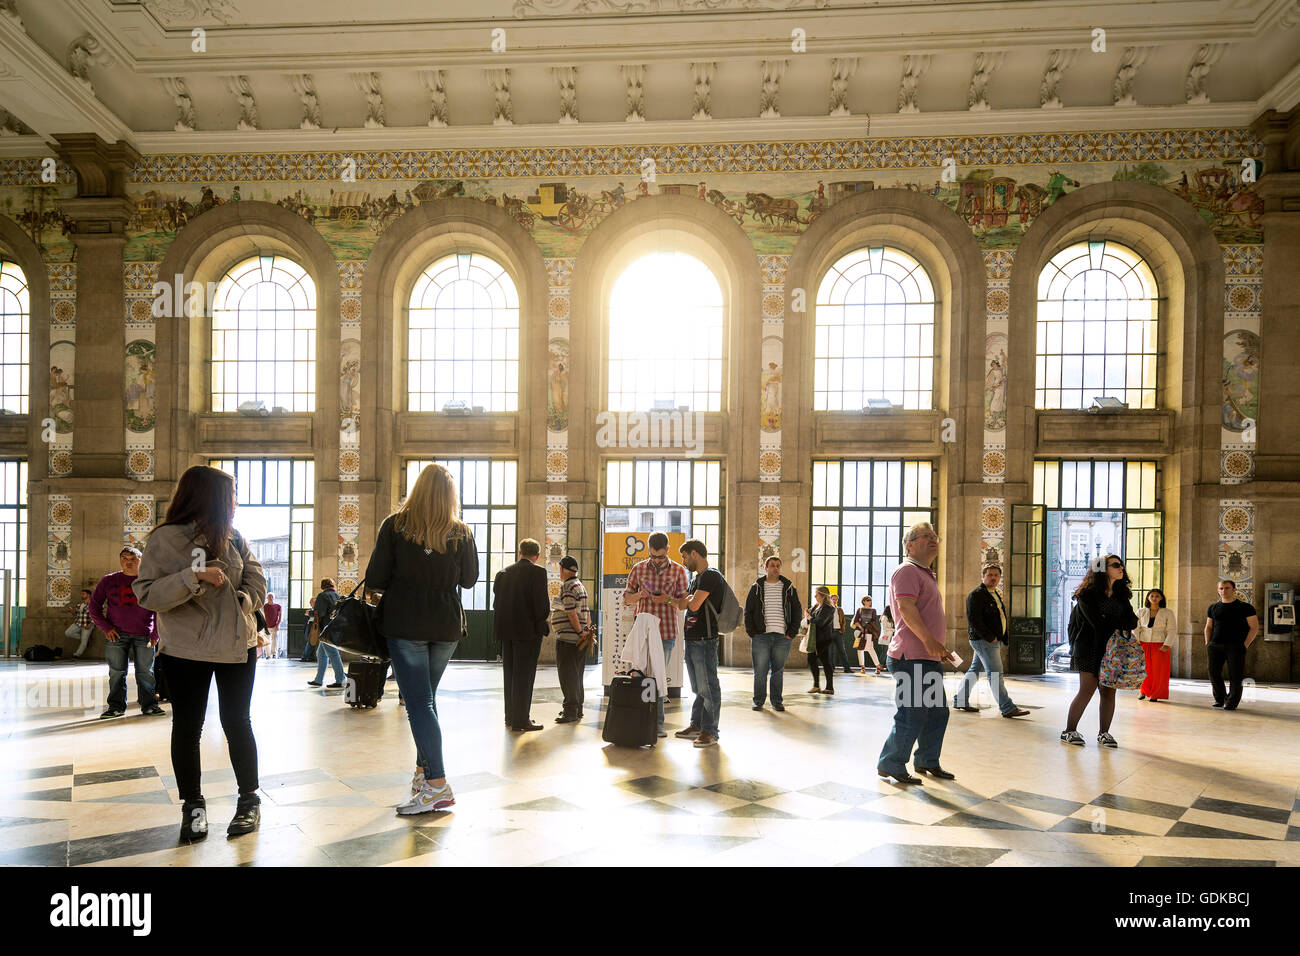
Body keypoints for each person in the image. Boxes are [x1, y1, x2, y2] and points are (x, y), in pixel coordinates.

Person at [134, 465, 267, 842]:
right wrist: (194, 578)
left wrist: (242, 599)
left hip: (237, 645)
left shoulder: (236, 537)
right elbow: (146, 593)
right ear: (212, 497)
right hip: (185, 649)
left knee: (237, 723)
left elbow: (258, 579)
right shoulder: (165, 539)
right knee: (188, 728)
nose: (237, 502)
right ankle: (192, 805)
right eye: (233, 494)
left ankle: (249, 801)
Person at [365, 462, 478, 814]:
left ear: (416, 489)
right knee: (425, 701)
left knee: (419, 703)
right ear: (450, 496)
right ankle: (422, 773)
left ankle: (438, 785)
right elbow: (471, 579)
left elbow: (375, 577)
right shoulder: (459, 532)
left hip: (406, 625)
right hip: (444, 626)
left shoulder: (395, 526)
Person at [877, 522, 958, 785]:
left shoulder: (925, 573)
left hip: (927, 657)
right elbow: (906, 609)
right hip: (911, 656)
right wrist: (928, 641)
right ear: (909, 544)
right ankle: (890, 762)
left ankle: (926, 760)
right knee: (912, 711)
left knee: (936, 712)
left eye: (935, 536)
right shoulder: (907, 570)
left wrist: (937, 648)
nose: (933, 540)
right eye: (925, 536)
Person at [1060, 554, 1138, 748]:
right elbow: (1097, 623)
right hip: (1088, 648)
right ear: (1103, 569)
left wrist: (1112, 621)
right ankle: (1069, 731)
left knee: (1109, 692)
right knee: (1087, 690)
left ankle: (1104, 733)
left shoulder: (1122, 595)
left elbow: (1133, 621)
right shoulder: (1087, 595)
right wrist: (1117, 622)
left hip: (1112, 650)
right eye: (1116, 565)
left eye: (1121, 565)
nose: (1121, 568)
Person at [623, 532, 689, 735]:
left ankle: (656, 724)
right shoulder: (638, 569)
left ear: (668, 550)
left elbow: (685, 603)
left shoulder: (679, 571)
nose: (657, 561)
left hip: (666, 632)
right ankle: (640, 719)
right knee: (641, 676)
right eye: (653, 556)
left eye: (660, 557)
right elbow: (626, 599)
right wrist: (640, 595)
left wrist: (668, 600)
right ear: (649, 551)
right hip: (642, 632)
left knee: (658, 678)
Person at [90, 547, 164, 719]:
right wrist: (106, 627)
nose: (128, 562)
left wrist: (156, 633)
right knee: (116, 672)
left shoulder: (148, 581)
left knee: (146, 672)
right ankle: (115, 707)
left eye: (133, 559)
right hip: (116, 635)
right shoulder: (109, 580)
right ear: (120, 560)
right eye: (124, 558)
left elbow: (159, 608)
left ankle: (149, 706)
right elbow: (94, 606)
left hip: (144, 634)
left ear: (141, 561)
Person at [669, 539, 725, 747]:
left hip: (705, 639)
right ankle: (697, 724)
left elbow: (692, 605)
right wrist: (669, 600)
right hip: (692, 638)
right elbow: (682, 604)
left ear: (694, 554)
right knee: (698, 687)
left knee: (709, 687)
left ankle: (710, 731)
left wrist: (686, 601)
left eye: (684, 556)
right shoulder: (696, 579)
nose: (683, 561)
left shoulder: (710, 576)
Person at [954, 565, 1030, 718]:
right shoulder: (976, 595)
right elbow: (974, 620)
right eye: (990, 575)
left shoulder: (995, 593)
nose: (993, 578)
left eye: (996, 575)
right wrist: (990, 637)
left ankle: (960, 700)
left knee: (975, 670)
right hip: (984, 640)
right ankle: (1007, 707)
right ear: (983, 576)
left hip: (991, 640)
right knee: (996, 674)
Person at [494, 538, 550, 731]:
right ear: (537, 556)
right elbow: (541, 605)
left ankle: (510, 716)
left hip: (506, 632)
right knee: (524, 676)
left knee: (509, 674)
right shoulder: (538, 572)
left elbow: (496, 604)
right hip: (528, 632)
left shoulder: (503, 573)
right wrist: (540, 621)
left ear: (520, 553)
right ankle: (521, 720)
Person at [742, 554, 802, 711]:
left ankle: (777, 701)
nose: (775, 568)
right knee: (760, 672)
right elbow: (748, 611)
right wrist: (752, 632)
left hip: (783, 637)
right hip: (761, 636)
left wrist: (792, 632)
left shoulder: (789, 588)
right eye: (772, 565)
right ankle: (758, 701)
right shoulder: (756, 588)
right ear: (765, 568)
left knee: (778, 671)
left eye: (778, 565)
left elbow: (797, 611)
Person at [1204, 579, 1258, 711]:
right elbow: (1208, 627)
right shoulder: (1213, 608)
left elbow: (1254, 628)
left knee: (1235, 675)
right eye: (1221, 588)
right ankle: (1220, 699)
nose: (1223, 591)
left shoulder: (1246, 607)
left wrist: (1245, 645)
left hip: (1236, 646)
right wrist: (1208, 643)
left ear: (1234, 589)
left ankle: (1232, 702)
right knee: (1213, 673)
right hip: (1215, 645)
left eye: (1227, 588)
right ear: (1218, 590)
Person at [551, 555, 591, 724]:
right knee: (577, 675)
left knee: (568, 676)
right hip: (579, 639)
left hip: (569, 639)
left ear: (563, 569)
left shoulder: (567, 586)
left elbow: (571, 612)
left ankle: (570, 711)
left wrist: (580, 631)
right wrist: (585, 632)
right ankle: (578, 708)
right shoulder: (580, 585)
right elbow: (586, 613)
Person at [1137, 588, 1175, 702]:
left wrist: (1167, 644)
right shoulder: (1140, 611)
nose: (1154, 598)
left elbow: (1172, 629)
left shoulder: (1168, 612)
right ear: (1148, 597)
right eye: (1152, 596)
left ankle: (1156, 693)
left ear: (1161, 598)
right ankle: (1143, 691)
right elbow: (1135, 628)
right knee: (1143, 669)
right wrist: (1136, 643)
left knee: (1159, 670)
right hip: (1143, 643)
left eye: (1157, 596)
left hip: (1160, 645)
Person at [306, 580, 344, 688]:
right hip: (335, 627)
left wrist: (310, 613)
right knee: (321, 654)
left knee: (333, 653)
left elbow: (320, 613)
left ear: (323, 586)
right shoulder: (337, 595)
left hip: (326, 629)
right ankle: (318, 680)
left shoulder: (323, 596)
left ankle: (340, 679)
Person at [804, 587, 839, 695]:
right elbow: (811, 619)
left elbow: (820, 623)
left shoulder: (828, 608)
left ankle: (820, 686)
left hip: (823, 639)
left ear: (823, 596)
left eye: (817, 594)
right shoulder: (816, 606)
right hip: (815, 638)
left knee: (816, 660)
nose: (815, 596)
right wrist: (808, 615)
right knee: (822, 662)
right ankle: (824, 686)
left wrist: (810, 618)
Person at [850, 595, 887, 675]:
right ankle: (862, 667)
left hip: (869, 631)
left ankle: (877, 667)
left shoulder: (873, 610)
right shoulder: (859, 610)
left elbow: (874, 621)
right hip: (859, 632)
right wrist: (861, 627)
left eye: (870, 600)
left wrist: (867, 626)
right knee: (860, 649)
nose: (869, 601)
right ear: (863, 601)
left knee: (870, 649)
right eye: (867, 600)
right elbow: (856, 620)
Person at [829, 593, 856, 674]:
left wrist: (842, 630)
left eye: (836, 599)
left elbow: (843, 621)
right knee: (830, 651)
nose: (835, 601)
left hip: (838, 632)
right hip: (829, 632)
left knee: (842, 651)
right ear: (830, 600)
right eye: (833, 599)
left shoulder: (839, 609)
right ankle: (831, 668)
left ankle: (847, 668)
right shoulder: (828, 609)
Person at [65, 588, 94, 659]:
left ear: (89, 595)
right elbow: (77, 613)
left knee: (84, 642)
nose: (81, 595)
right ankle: (85, 640)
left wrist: (90, 624)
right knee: (68, 633)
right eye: (81, 594)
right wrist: (72, 611)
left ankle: (77, 654)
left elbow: (97, 615)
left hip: (87, 624)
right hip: (78, 623)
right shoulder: (80, 604)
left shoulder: (93, 604)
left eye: (83, 594)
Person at [262, 592, 282, 659]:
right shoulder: (264, 606)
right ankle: (268, 655)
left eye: (272, 597)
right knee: (267, 641)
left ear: (274, 598)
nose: (270, 598)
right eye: (269, 597)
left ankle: (274, 653)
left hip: (274, 626)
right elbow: (262, 616)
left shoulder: (278, 606)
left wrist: (278, 625)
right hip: (266, 626)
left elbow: (280, 616)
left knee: (275, 640)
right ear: (267, 598)